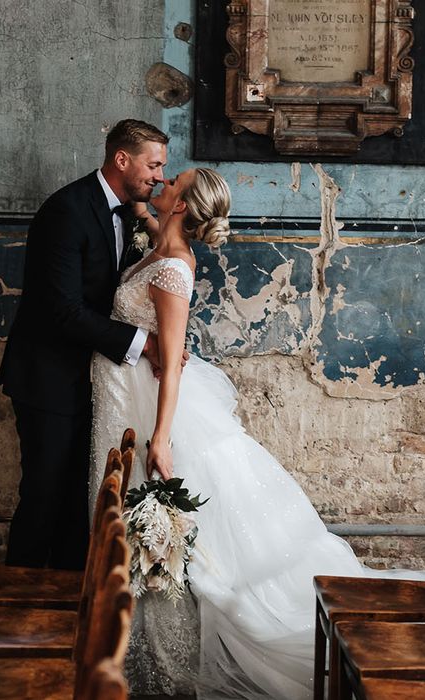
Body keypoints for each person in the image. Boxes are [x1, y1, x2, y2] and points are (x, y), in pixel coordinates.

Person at [90, 168, 364, 698]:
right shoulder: (160, 241)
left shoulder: (173, 268)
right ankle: (124, 650)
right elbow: (153, 220)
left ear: (180, 206)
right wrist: (143, 209)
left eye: (174, 180)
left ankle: (163, 661)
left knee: (166, 533)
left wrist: (162, 438)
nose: (163, 178)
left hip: (152, 407)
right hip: (123, 395)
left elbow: (171, 364)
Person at [0, 119, 169, 569]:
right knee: (43, 498)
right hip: (48, 379)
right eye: (153, 165)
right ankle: (18, 615)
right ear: (122, 159)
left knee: (81, 502)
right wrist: (143, 343)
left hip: (94, 379)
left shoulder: (132, 212)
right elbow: (63, 310)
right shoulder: (67, 211)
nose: (159, 176)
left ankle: (71, 610)